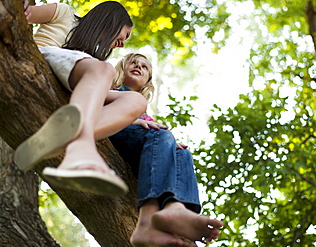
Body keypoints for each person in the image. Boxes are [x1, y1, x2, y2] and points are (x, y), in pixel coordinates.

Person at [17, 1, 147, 196]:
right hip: (40, 62)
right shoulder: (64, 14)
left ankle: (54, 139)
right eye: (125, 35)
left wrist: (133, 120)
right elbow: (21, 14)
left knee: (136, 101)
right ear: (112, 20)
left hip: (70, 86)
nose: (123, 43)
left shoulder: (92, 62)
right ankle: (80, 147)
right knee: (105, 69)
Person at [109, 53, 224, 246]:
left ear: (148, 81)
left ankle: (177, 209)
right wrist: (137, 123)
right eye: (133, 63)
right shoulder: (111, 89)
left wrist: (169, 146)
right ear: (122, 68)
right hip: (113, 130)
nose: (138, 66)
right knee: (161, 134)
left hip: (139, 147)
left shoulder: (145, 112)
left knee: (182, 152)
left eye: (144, 67)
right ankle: (151, 219)